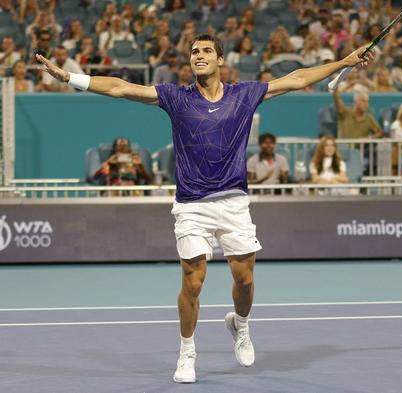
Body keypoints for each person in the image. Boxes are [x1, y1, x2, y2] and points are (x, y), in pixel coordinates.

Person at [36, 33, 374, 384]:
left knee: (244, 280)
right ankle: (187, 352)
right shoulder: (176, 98)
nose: (199, 55)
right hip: (192, 205)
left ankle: (240, 326)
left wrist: (344, 62)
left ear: (220, 60)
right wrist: (71, 78)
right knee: (193, 282)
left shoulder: (244, 95)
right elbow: (121, 87)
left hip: (233, 203)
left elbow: (298, 78)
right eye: (194, 51)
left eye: (206, 51)